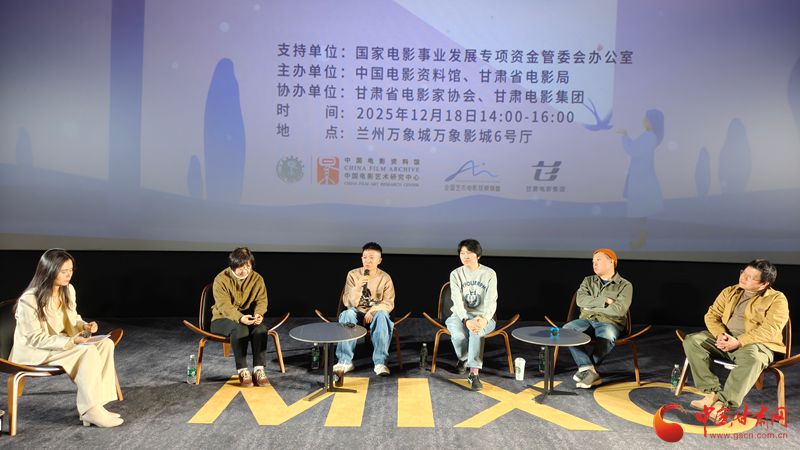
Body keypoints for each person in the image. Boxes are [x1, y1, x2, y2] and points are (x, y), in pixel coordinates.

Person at [10, 249, 123, 428]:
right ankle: (89, 410)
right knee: (87, 351)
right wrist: (71, 341)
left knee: (106, 344)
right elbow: (35, 338)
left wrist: (84, 326)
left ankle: (97, 404)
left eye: (70, 270)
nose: (68, 275)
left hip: (60, 342)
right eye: (63, 271)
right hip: (36, 350)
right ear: (49, 271)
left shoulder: (68, 290)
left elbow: (73, 318)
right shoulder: (29, 300)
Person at [682, 259, 788, 415]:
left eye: (750, 277)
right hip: (725, 337)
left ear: (764, 284)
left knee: (754, 359)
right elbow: (712, 315)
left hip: (754, 343)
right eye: (743, 273)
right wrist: (720, 334)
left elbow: (770, 329)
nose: (743, 278)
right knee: (693, 341)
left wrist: (739, 341)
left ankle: (724, 403)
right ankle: (711, 393)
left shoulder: (777, 299)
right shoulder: (730, 291)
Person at [563, 248, 633, 389]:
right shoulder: (588, 281)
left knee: (608, 335)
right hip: (586, 320)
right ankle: (589, 370)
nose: (594, 264)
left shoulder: (625, 285)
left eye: (598, 260)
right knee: (566, 331)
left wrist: (592, 307)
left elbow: (619, 310)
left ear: (611, 261)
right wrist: (605, 300)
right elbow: (580, 300)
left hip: (609, 322)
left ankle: (587, 370)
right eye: (593, 261)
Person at [333, 242, 396, 376]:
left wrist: (372, 311)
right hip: (357, 310)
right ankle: (345, 361)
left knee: (382, 316)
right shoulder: (353, 274)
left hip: (376, 312)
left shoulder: (385, 278)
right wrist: (357, 287)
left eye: (372, 257)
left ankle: (380, 363)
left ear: (379, 260)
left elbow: (388, 303)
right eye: (365, 257)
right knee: (347, 314)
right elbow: (347, 302)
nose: (367, 261)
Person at [210, 247, 269, 387]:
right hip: (221, 319)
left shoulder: (257, 278)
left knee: (261, 329)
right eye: (241, 267)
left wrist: (259, 314)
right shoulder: (221, 279)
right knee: (240, 328)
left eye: (248, 267)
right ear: (233, 266)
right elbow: (224, 306)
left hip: (247, 317)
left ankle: (259, 369)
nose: (245, 271)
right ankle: (243, 370)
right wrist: (240, 318)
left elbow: (261, 300)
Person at [446, 239, 498, 391]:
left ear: (478, 255)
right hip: (459, 315)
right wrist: (465, 320)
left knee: (477, 331)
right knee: (458, 336)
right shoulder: (456, 274)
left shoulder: (489, 273)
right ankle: (464, 359)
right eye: (462, 253)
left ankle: (473, 373)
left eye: (469, 253)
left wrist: (485, 319)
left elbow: (491, 300)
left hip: (483, 316)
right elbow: (456, 300)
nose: (465, 256)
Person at [619, 109, 665, 249]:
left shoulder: (649, 137)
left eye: (645, 118)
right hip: (642, 177)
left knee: (641, 212)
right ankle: (641, 238)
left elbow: (633, 150)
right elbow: (635, 148)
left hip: (641, 179)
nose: (643, 120)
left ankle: (641, 239)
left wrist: (625, 137)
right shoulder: (649, 136)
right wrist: (627, 137)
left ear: (651, 121)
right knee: (642, 212)